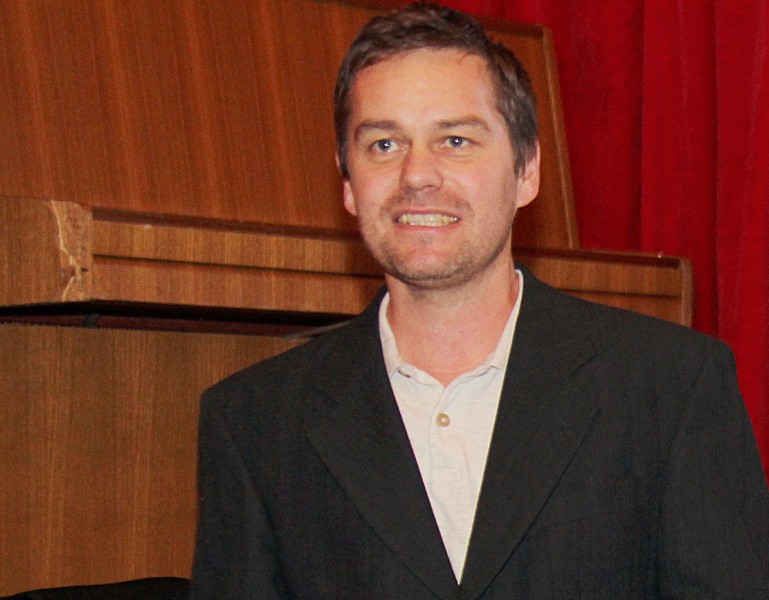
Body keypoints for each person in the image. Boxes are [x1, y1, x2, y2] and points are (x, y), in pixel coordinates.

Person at [190, 3, 769, 598]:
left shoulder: (673, 387)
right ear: (348, 182)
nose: (417, 175)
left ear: (526, 171)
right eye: (384, 144)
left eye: (456, 140)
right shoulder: (253, 423)